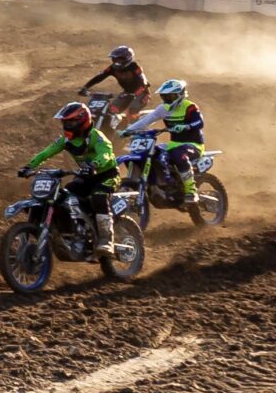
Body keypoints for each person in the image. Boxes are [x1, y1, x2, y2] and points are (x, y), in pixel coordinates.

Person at [23, 101, 121, 261]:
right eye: (65, 122)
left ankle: (106, 240)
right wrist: (29, 166)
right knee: (64, 196)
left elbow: (106, 154)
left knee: (99, 196)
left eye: (71, 122)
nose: (67, 125)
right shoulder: (66, 140)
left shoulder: (97, 137)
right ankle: (73, 231)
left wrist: (95, 164)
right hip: (86, 177)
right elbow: (46, 152)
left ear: (83, 120)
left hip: (107, 175)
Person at [137, 78, 207, 204]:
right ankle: (161, 183)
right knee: (153, 153)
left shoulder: (190, 107)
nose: (167, 99)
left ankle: (191, 190)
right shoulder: (162, 109)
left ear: (180, 94)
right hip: (173, 144)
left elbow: (200, 122)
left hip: (194, 144)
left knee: (178, 154)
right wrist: (126, 130)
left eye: (170, 96)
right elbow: (145, 121)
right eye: (165, 97)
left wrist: (187, 126)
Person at [81, 45, 153, 122]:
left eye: (119, 59)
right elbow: (100, 77)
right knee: (112, 110)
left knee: (132, 110)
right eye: (115, 59)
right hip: (127, 93)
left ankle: (134, 131)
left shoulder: (134, 67)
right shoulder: (112, 68)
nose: (117, 62)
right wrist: (85, 87)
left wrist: (135, 93)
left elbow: (143, 82)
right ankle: (116, 127)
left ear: (127, 58)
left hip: (142, 93)